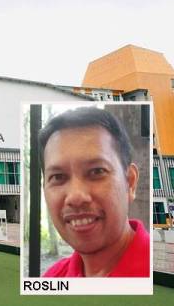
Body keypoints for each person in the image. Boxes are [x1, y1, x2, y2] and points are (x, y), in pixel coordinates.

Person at [38, 107, 149, 277]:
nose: (76, 197)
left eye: (97, 171)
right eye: (58, 177)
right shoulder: (53, 278)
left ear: (130, 182)